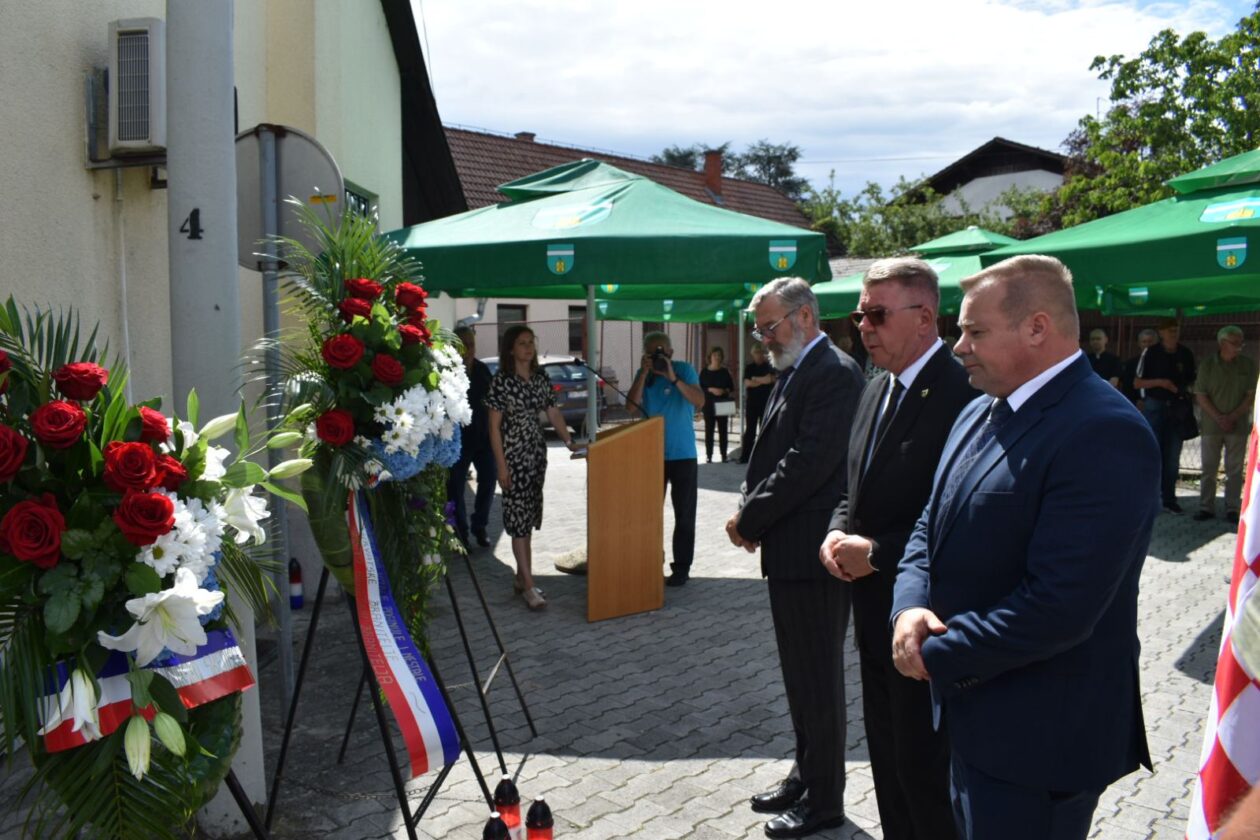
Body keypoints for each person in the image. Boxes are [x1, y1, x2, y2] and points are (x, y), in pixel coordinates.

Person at [891, 255, 1158, 840]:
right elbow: (930, 523)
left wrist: (934, 653)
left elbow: (1060, 607)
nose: (958, 346)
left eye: (975, 331)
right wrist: (909, 607)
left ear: (1038, 328)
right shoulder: (978, 410)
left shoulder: (1104, 430)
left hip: (1039, 742)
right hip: (973, 720)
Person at [820, 258, 974, 840]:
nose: (863, 326)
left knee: (925, 773)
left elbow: (959, 514)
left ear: (925, 318)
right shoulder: (875, 386)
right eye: (860, 315)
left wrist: (879, 553)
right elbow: (852, 484)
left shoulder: (963, 392)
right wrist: (837, 530)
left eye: (877, 315)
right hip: (870, 613)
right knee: (888, 761)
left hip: (926, 619)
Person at [725, 277, 864, 839]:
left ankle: (825, 802)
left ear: (805, 316)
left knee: (817, 681)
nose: (763, 338)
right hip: (791, 551)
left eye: (770, 326)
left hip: (814, 555)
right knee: (800, 679)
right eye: (759, 328)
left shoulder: (833, 372)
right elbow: (772, 453)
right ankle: (806, 775)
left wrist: (749, 518)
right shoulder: (798, 367)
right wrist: (749, 506)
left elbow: (808, 462)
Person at [486, 325, 580, 610]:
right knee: (517, 522)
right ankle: (528, 586)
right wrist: (501, 467)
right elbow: (493, 428)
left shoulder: (541, 378)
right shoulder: (501, 381)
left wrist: (569, 441)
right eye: (522, 343)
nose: (528, 348)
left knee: (526, 520)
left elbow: (553, 411)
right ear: (510, 349)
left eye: (531, 342)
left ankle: (521, 577)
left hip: (536, 457)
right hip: (513, 458)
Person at [626, 330, 706, 587]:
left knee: (684, 515)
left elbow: (699, 401)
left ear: (671, 352)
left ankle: (681, 568)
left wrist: (673, 378)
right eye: (652, 353)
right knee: (649, 514)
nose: (658, 356)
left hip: (683, 454)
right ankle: (650, 562)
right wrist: (643, 374)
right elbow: (630, 407)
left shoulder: (684, 370)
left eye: (662, 352)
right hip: (652, 454)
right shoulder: (644, 374)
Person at [1193, 326, 1257, 524]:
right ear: (1222, 343)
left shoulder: (1248, 365)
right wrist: (1219, 417)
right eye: (1235, 342)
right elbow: (1201, 395)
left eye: (1241, 342)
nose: (1239, 346)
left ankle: (1233, 508)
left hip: (1238, 425)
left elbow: (1250, 396)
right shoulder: (1207, 365)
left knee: (1235, 470)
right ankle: (1206, 507)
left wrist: (1232, 417)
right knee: (1208, 468)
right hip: (1211, 426)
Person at [1134, 317, 1197, 514]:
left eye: (1176, 330)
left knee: (1172, 457)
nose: (1173, 334)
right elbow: (1137, 382)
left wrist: (1185, 391)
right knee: (1153, 453)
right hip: (1155, 406)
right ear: (1161, 333)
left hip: (1177, 409)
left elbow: (1192, 380)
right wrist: (1161, 383)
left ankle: (1169, 499)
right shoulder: (1150, 353)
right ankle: (1149, 498)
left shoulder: (1185, 353)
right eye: (1170, 330)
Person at [446, 326, 497, 549]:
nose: (468, 349)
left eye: (471, 344)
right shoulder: (447, 373)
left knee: (489, 480)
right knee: (455, 489)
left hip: (484, 440)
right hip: (458, 444)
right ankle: (461, 534)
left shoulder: (483, 370)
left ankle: (480, 526)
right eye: (463, 344)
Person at [699, 345, 735, 463]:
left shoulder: (725, 372)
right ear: (710, 357)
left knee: (723, 430)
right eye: (715, 355)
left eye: (719, 355)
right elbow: (699, 388)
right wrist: (710, 389)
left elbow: (731, 387)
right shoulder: (704, 372)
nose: (717, 357)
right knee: (709, 430)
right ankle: (709, 455)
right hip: (708, 404)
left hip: (722, 404)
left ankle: (724, 455)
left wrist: (723, 391)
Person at [740, 342, 774, 463]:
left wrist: (755, 379)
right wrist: (762, 381)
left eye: (760, 352)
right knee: (750, 430)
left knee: (764, 429)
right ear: (752, 354)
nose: (758, 355)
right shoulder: (749, 368)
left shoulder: (768, 366)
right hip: (752, 403)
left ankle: (764, 457)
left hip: (765, 402)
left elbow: (770, 379)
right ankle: (745, 456)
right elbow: (747, 383)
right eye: (756, 353)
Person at [1120, 329, 1158, 406]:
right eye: (1144, 342)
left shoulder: (1164, 362)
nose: (1147, 344)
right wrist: (1136, 401)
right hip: (1136, 403)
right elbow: (1127, 386)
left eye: (1150, 341)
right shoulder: (1131, 364)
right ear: (1139, 344)